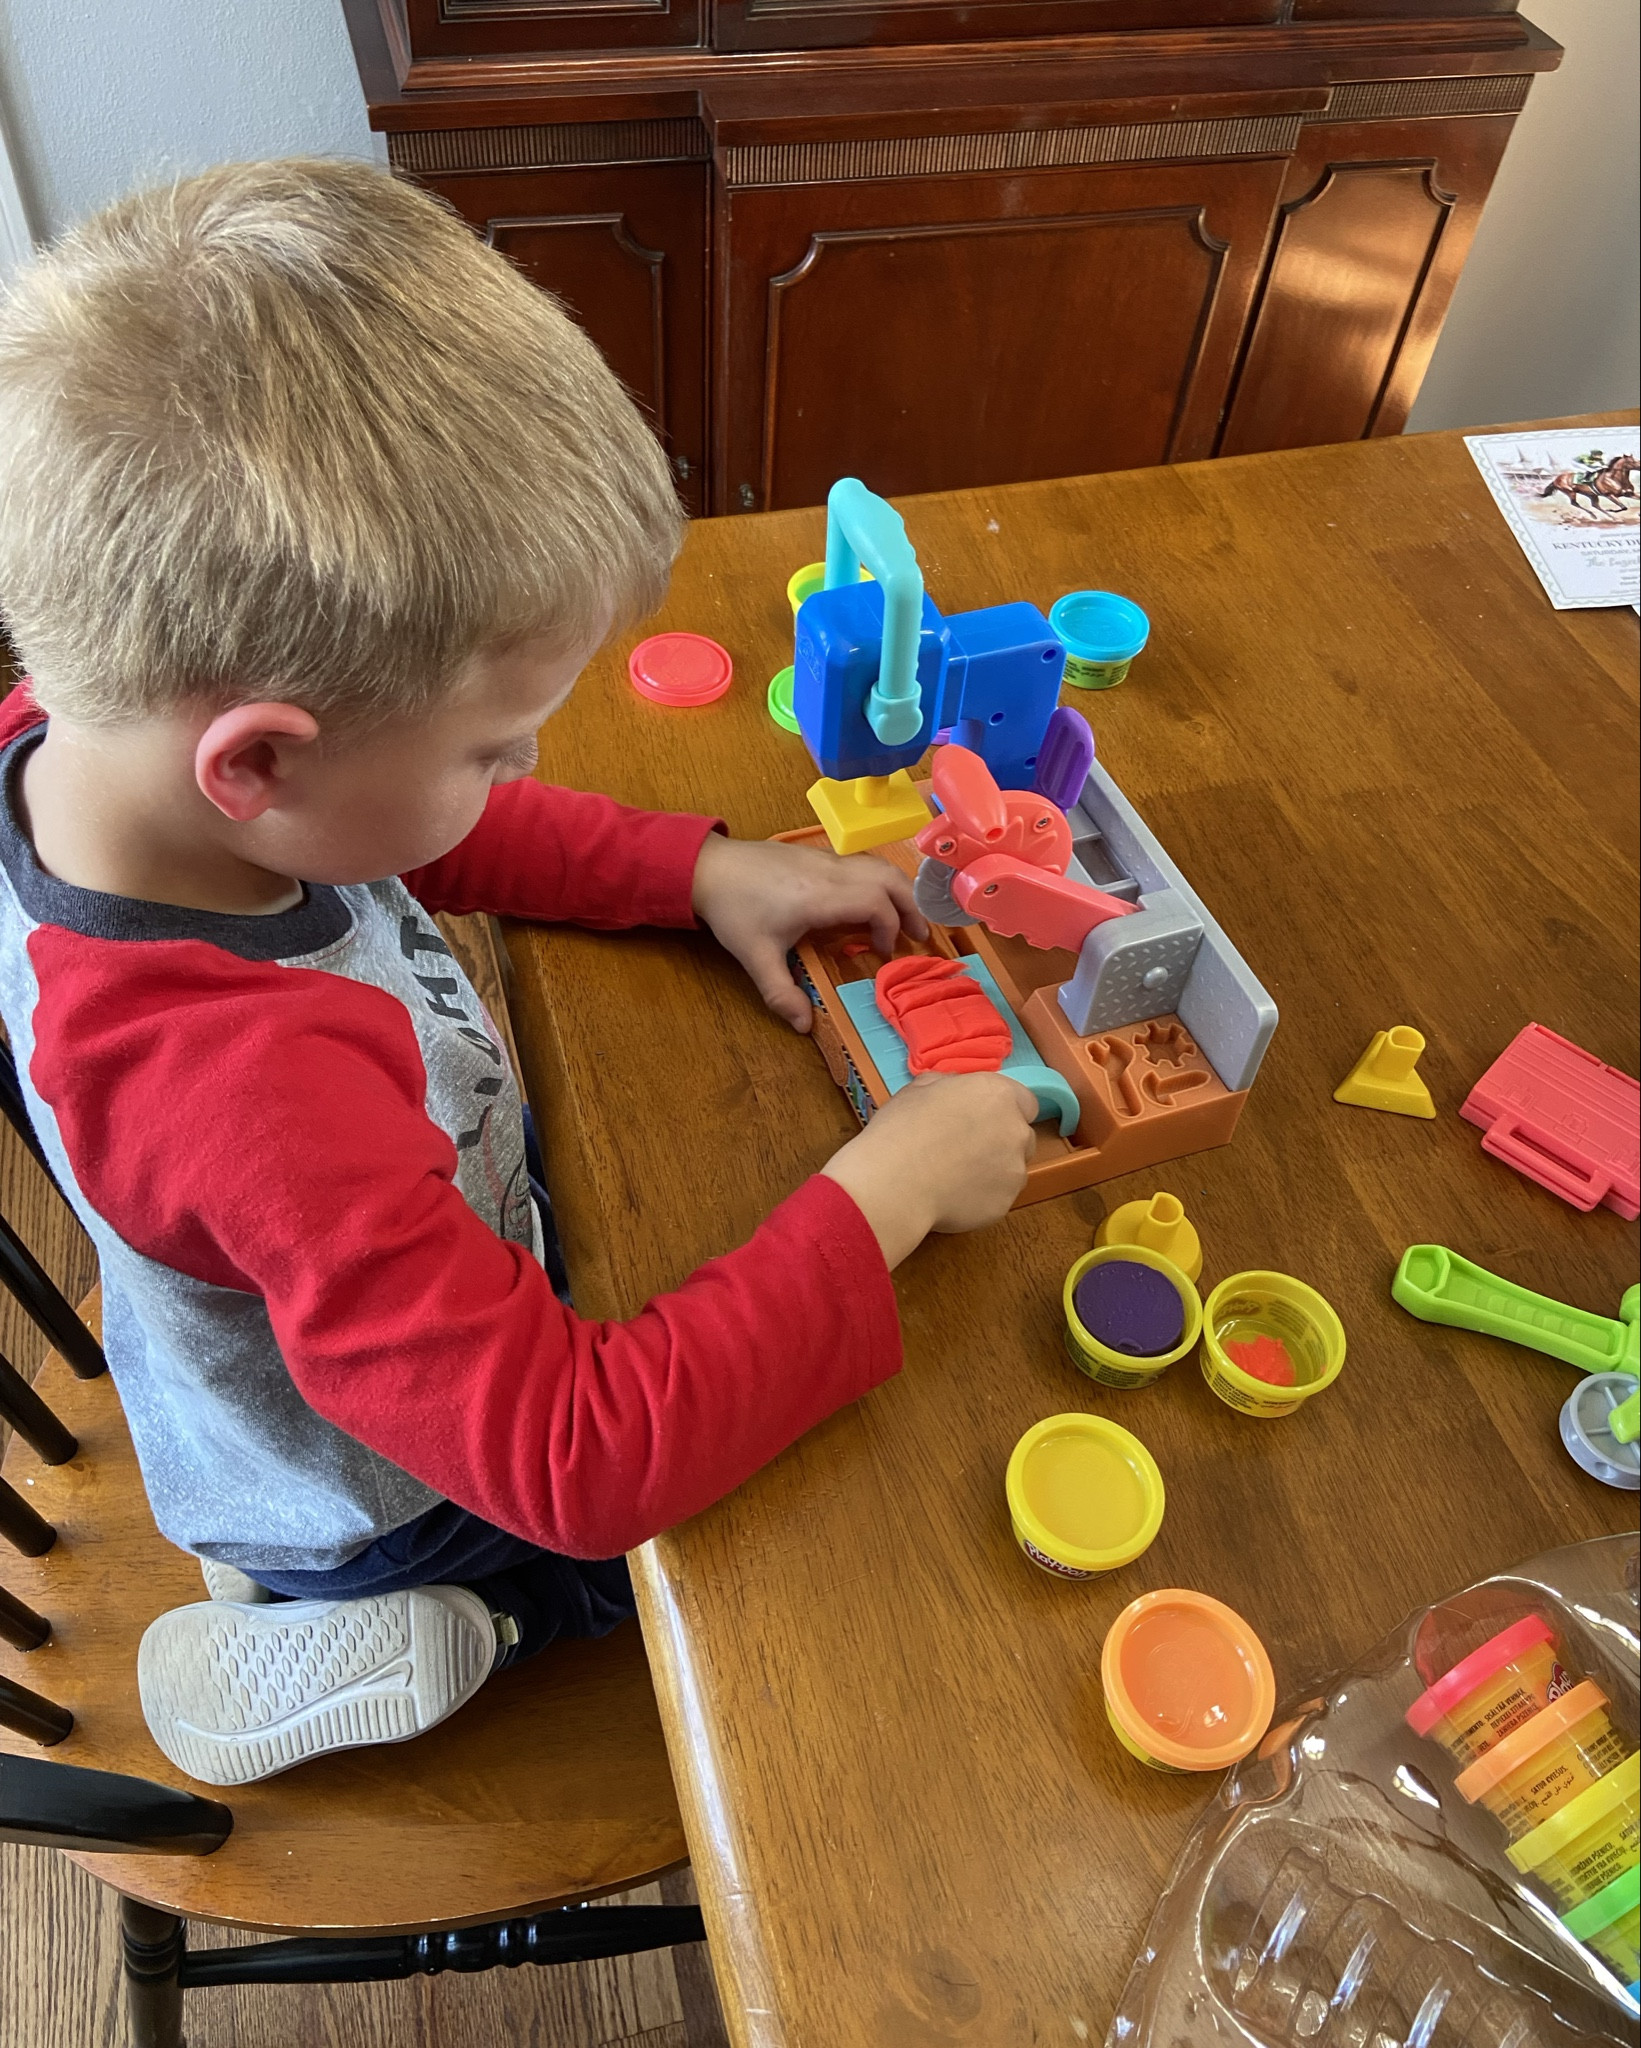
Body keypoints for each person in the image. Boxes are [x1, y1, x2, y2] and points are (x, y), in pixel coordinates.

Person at [0, 159, 1036, 1785]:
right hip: (390, 1499)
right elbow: (581, 1458)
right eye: (495, 748)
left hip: (316, 1325)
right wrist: (887, 1192)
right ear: (256, 765)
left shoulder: (94, 749)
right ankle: (398, 1622)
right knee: (717, 1569)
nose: (523, 769)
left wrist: (687, 866)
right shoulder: (242, 1092)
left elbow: (395, 825)